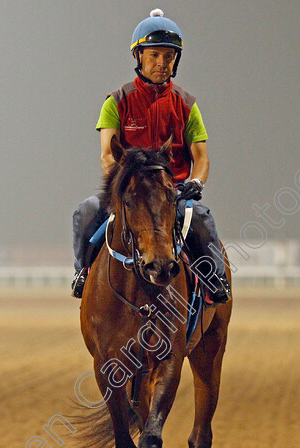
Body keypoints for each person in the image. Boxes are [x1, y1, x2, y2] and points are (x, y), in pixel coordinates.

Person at [71, 8, 231, 303]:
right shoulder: (116, 102)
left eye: (169, 57)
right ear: (139, 56)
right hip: (129, 190)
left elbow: (202, 156)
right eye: (155, 55)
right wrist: (122, 184)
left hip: (172, 191)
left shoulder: (186, 104)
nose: (162, 63)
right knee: (85, 212)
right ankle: (83, 274)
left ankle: (216, 282)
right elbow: (108, 155)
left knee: (203, 220)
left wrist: (197, 182)